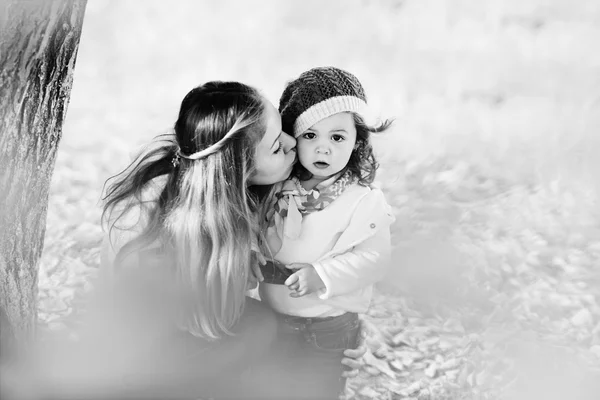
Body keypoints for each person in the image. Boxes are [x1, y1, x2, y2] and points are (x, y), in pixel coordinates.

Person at [3, 81, 365, 400]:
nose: (291, 142)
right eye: (275, 146)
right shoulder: (154, 223)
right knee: (262, 333)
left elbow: (251, 280)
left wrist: (330, 336)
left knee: (273, 333)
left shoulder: (238, 188)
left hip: (193, 327)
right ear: (239, 168)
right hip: (148, 351)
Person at [256, 67, 395, 399]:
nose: (323, 149)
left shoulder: (362, 200)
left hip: (328, 323)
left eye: (337, 137)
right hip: (274, 317)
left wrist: (322, 274)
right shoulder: (275, 188)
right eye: (309, 136)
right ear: (291, 136)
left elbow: (374, 258)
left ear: (357, 141)